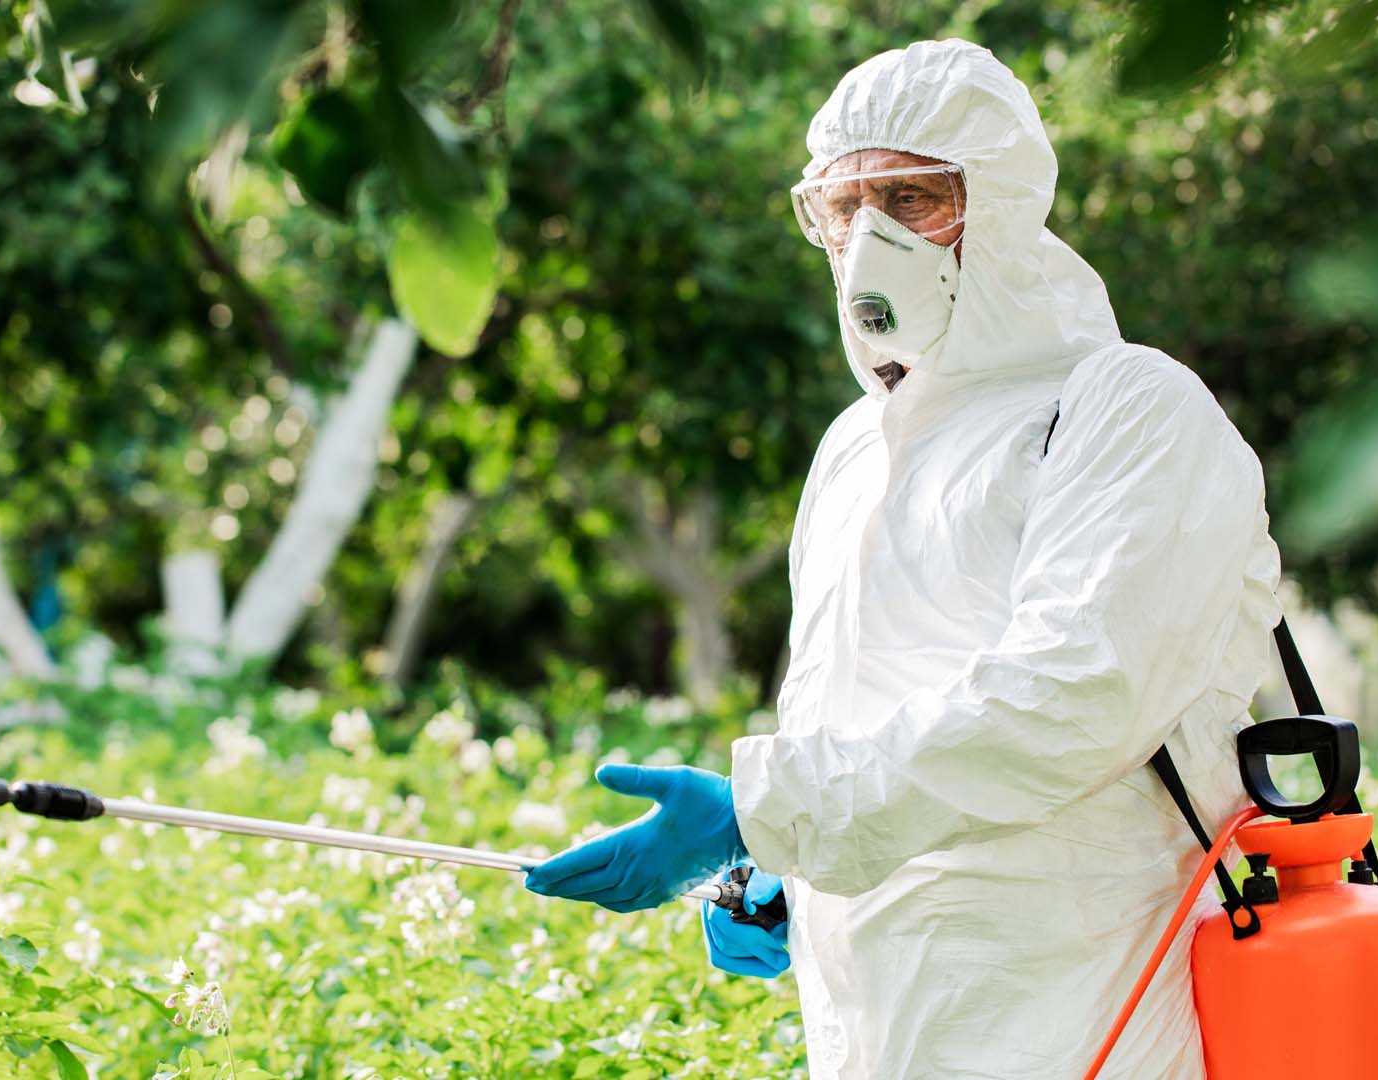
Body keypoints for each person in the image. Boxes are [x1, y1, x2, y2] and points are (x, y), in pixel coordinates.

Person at [526, 38, 1283, 1080]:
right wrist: (785, 872)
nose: (872, 236)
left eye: (915, 198)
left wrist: (762, 811)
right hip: (874, 1026)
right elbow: (851, 727)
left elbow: (1070, 701)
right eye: (845, 206)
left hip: (1091, 1006)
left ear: (1004, 206)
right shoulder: (851, 449)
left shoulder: (1127, 408)